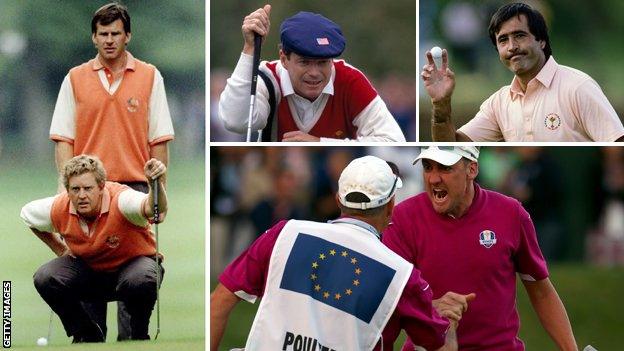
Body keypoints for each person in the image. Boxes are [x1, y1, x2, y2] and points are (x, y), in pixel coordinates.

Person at [211, 156, 464, 351]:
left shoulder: (285, 233)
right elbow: (440, 346)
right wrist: (449, 322)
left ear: (338, 199)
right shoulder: (403, 275)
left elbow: (219, 303)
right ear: (391, 206)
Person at [48, 2, 174, 339]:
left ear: (127, 36)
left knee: (133, 269)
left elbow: (159, 139)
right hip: (88, 187)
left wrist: (160, 188)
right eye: (102, 34)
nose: (108, 40)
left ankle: (133, 340)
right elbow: (63, 138)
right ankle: (90, 338)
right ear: (93, 37)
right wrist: (66, 192)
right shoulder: (74, 78)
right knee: (89, 263)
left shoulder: (149, 76)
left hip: (134, 186)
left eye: (115, 33)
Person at [383, 146, 578, 350]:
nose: (433, 179)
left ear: (472, 169)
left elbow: (541, 292)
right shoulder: (402, 218)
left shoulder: (511, 213)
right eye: (428, 167)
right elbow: (388, 302)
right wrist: (430, 310)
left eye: (445, 168)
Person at [421, 2, 624, 142]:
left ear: (542, 40)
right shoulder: (499, 102)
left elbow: (617, 142)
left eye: (519, 35)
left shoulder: (578, 87)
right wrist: (440, 103)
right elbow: (453, 146)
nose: (512, 47)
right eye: (503, 40)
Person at [20, 155, 168, 343]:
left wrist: (154, 184)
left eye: (88, 188)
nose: (81, 195)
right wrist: (59, 248)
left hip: (131, 272)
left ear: (101, 187)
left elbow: (152, 207)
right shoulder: (59, 206)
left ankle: (138, 334)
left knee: (141, 278)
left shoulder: (122, 200)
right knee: (46, 276)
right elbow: (27, 215)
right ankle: (86, 333)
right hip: (91, 275)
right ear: (67, 191)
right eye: (75, 189)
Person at [218, 5, 406, 142]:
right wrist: (250, 47)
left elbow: (394, 140)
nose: (314, 73)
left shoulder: (350, 80)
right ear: (283, 58)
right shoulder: (267, 78)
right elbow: (236, 121)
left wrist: (319, 143)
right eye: (305, 62)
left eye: (323, 62)